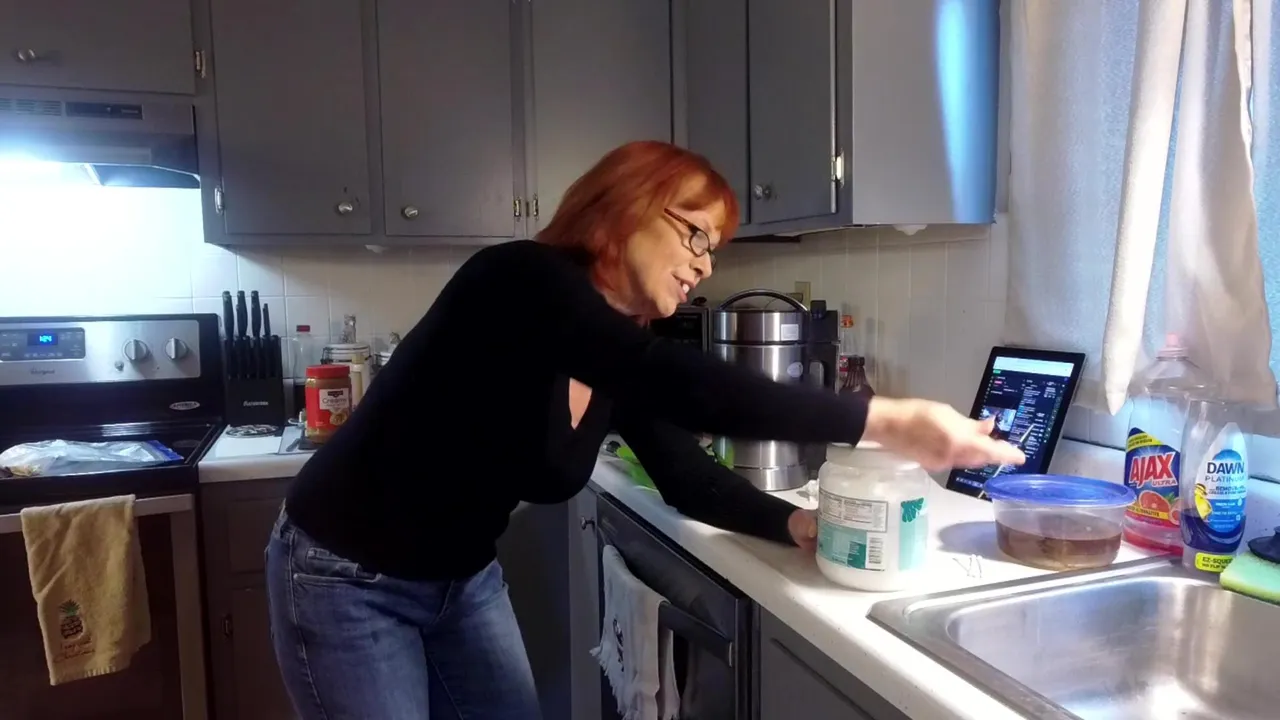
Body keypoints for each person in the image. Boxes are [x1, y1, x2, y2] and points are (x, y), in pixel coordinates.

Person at [265, 140, 1023, 720]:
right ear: (623, 208)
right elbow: (680, 383)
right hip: (345, 573)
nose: (704, 266)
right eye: (695, 235)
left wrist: (792, 524)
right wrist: (885, 421)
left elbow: (683, 473)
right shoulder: (518, 280)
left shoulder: (617, 345)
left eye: (713, 250)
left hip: (461, 580)